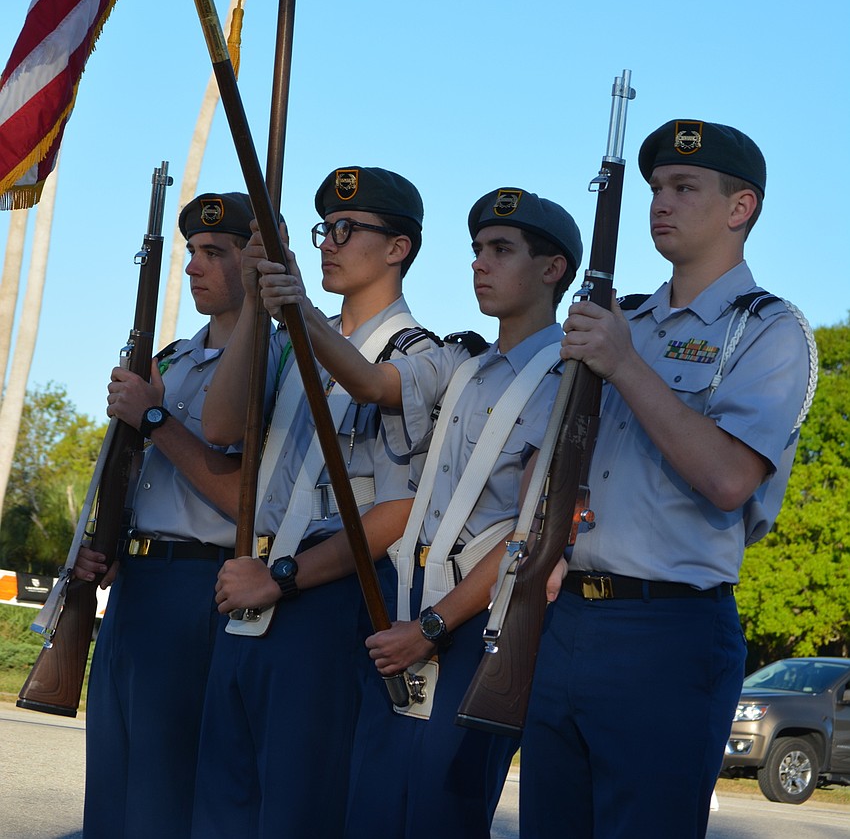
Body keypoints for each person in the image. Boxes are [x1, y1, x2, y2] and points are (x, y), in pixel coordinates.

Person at [520, 120, 816, 839]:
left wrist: (623, 363)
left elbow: (726, 477)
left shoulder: (769, 330)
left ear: (739, 207)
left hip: (670, 628)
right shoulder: (628, 320)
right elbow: (543, 463)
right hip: (571, 619)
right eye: (656, 187)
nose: (661, 202)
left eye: (685, 187)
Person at [263, 186, 583, 839]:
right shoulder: (459, 360)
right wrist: (303, 310)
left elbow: (532, 534)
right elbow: (372, 380)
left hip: (472, 628)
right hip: (406, 611)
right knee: (371, 812)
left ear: (553, 269)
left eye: (500, 250)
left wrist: (433, 626)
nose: (478, 263)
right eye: (475, 250)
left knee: (437, 815)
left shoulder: (572, 380)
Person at [191, 166, 442, 839]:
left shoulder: (424, 354)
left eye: (346, 229)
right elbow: (220, 427)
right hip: (248, 587)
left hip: (325, 594)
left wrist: (282, 578)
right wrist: (255, 297)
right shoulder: (283, 337)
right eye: (323, 229)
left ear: (399, 248)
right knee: (222, 807)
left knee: (299, 810)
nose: (328, 242)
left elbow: (398, 505)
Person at [78, 191, 253, 839]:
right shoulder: (173, 357)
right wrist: (107, 543)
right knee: (113, 786)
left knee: (163, 795)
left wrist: (154, 415)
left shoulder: (272, 362)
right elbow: (132, 473)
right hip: (137, 585)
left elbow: (243, 498)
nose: (193, 266)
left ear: (253, 262)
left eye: (215, 252)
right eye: (191, 253)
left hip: (198, 585)